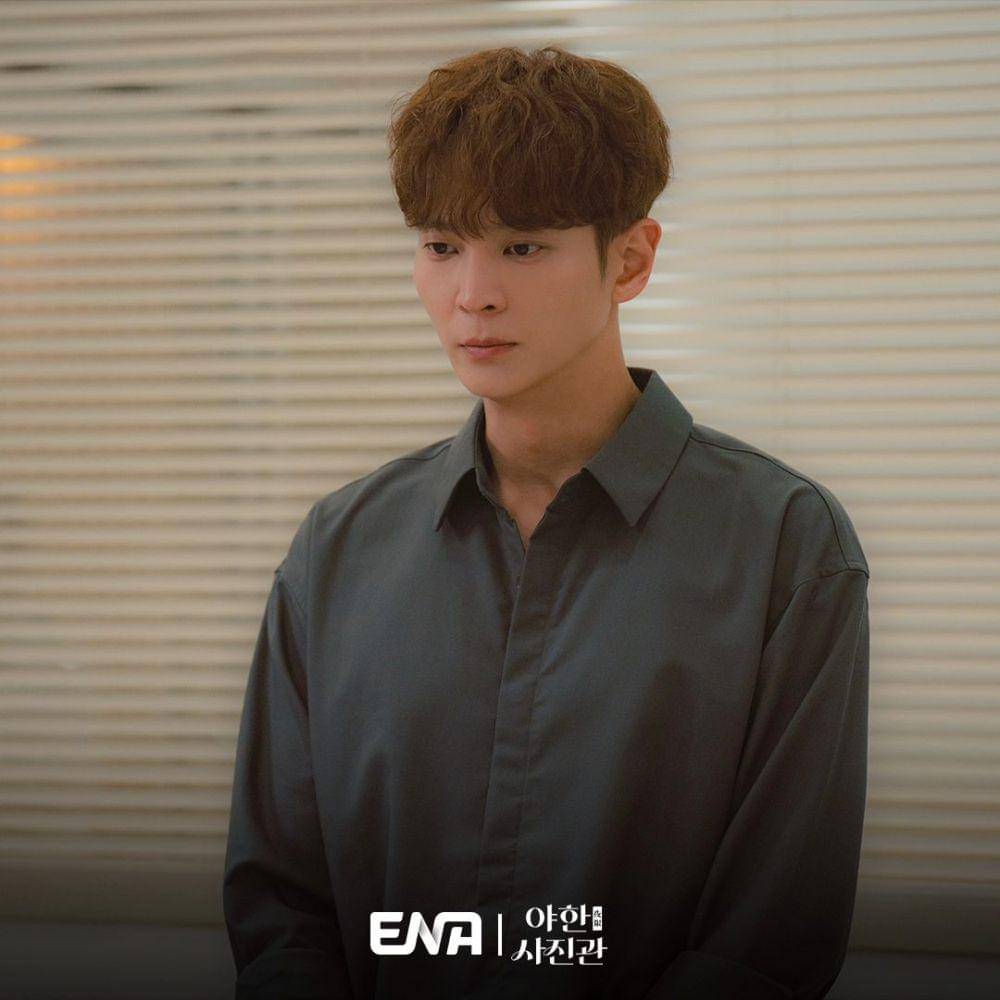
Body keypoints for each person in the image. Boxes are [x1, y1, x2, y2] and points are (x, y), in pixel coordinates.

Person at [222, 44, 870, 1000]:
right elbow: (280, 907)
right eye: (442, 246)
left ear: (630, 259)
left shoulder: (785, 545)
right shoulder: (339, 547)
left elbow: (769, 940)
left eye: (523, 247)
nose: (472, 294)